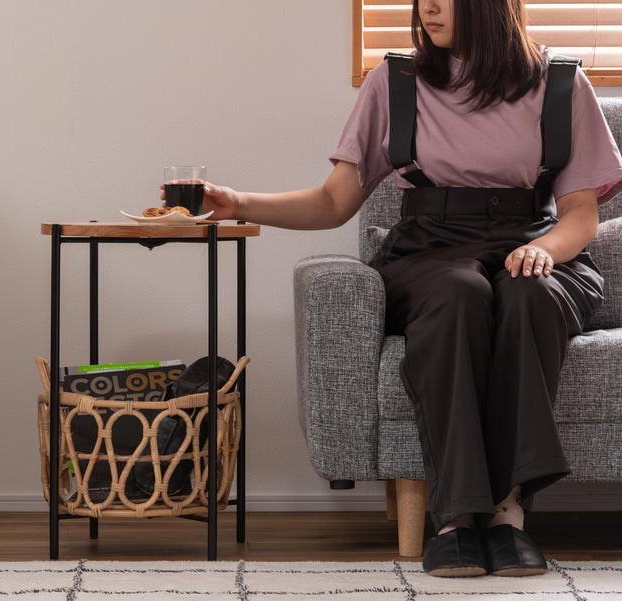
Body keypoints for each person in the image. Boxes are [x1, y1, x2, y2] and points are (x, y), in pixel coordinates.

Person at [162, 0, 622, 579]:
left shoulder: (560, 84)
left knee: (526, 294)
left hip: (532, 245)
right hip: (429, 251)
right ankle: (454, 519)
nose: (427, 5)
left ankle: (509, 516)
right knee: (460, 293)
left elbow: (579, 216)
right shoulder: (396, 82)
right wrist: (240, 203)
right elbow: (333, 201)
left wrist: (544, 251)